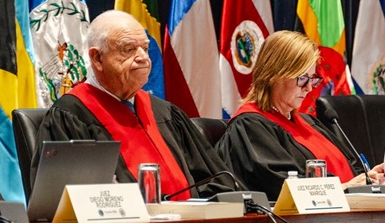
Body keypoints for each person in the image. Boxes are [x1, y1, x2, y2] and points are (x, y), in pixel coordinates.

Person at [34, 10, 238, 199]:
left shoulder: (164, 113)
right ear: (97, 58)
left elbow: (218, 182)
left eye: (145, 48)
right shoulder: (71, 116)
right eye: (128, 49)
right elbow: (68, 202)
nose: (143, 58)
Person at [219, 30, 385, 196]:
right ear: (274, 75)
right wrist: (343, 188)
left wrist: (369, 178)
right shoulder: (250, 126)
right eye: (302, 78)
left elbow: (350, 169)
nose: (309, 88)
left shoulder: (310, 123)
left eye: (312, 79)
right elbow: (279, 185)